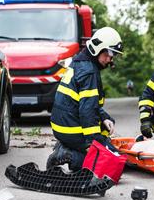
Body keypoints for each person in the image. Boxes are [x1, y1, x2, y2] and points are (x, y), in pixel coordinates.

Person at [46, 27, 123, 171]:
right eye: (109, 54)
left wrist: (104, 117)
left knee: (107, 128)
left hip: (63, 125)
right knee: (113, 163)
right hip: (71, 128)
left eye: (113, 55)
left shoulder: (80, 61)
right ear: (97, 49)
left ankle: (68, 147)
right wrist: (94, 143)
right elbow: (87, 111)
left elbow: (88, 104)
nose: (110, 59)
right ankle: (68, 154)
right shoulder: (89, 72)